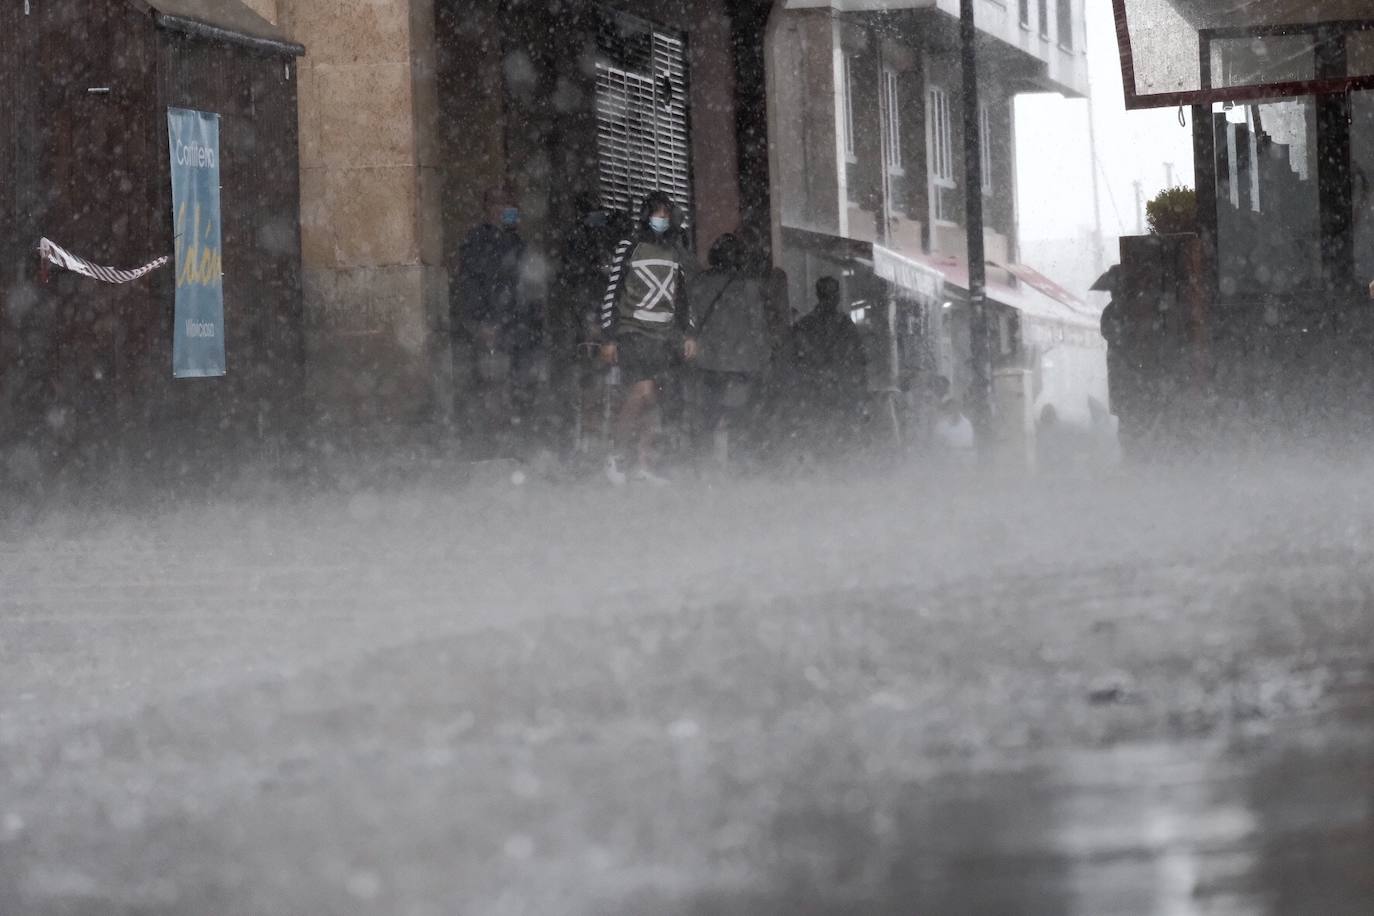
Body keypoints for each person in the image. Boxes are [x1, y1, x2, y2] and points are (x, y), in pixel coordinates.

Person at [600, 191, 697, 485]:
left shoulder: (674, 252)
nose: (662, 220)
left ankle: (644, 463)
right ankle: (616, 454)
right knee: (642, 392)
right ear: (646, 215)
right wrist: (609, 336)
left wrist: (688, 333)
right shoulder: (628, 247)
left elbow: (683, 297)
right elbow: (613, 292)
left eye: (667, 215)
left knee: (654, 398)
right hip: (634, 332)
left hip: (664, 336)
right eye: (658, 214)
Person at [455, 186, 532, 451]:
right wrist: (483, 321)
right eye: (503, 204)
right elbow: (471, 285)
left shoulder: (516, 242)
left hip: (514, 326)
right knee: (492, 384)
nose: (509, 209)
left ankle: (509, 440)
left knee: (513, 384)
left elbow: (523, 286)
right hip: (491, 325)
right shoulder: (477, 241)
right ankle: (490, 443)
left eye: (511, 203)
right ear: (490, 208)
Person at [690, 233, 771, 465]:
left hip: (707, 362)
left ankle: (709, 463)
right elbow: (758, 327)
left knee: (709, 415)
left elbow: (691, 319)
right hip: (739, 363)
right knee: (736, 415)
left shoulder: (699, 283)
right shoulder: (748, 286)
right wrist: (764, 357)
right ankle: (733, 463)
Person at [788, 276, 867, 456]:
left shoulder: (803, 325)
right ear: (837, 296)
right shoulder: (846, 326)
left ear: (817, 295)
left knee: (816, 441)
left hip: (812, 395)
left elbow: (795, 360)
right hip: (841, 395)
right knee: (838, 444)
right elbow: (860, 361)